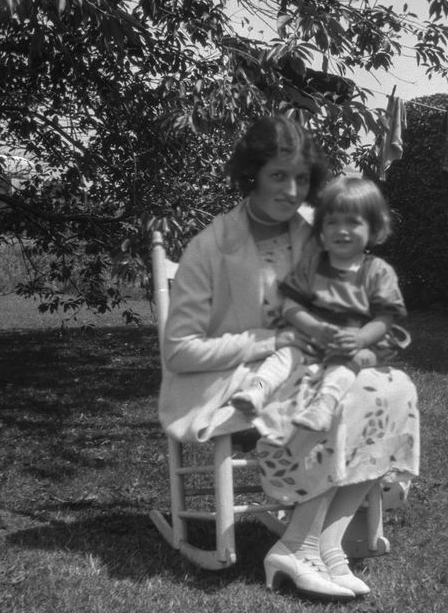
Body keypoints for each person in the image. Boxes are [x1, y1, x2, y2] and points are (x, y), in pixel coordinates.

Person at [161, 116, 419, 601]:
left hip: (307, 362)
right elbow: (178, 351)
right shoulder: (211, 246)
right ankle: (299, 546)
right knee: (339, 399)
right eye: (279, 175)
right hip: (227, 383)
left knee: (393, 387)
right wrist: (268, 341)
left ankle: (328, 546)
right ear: (252, 173)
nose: (292, 188)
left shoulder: (314, 234)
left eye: (301, 178)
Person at [231, 175, 410, 437]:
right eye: (332, 222)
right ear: (321, 230)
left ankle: (324, 404)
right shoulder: (311, 266)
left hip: (357, 343)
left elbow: (385, 318)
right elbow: (291, 306)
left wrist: (360, 338)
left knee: (346, 362)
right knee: (286, 352)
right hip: (314, 338)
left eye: (352, 222)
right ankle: (258, 389)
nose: (341, 230)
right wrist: (315, 328)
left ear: (373, 229)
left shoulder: (378, 272)